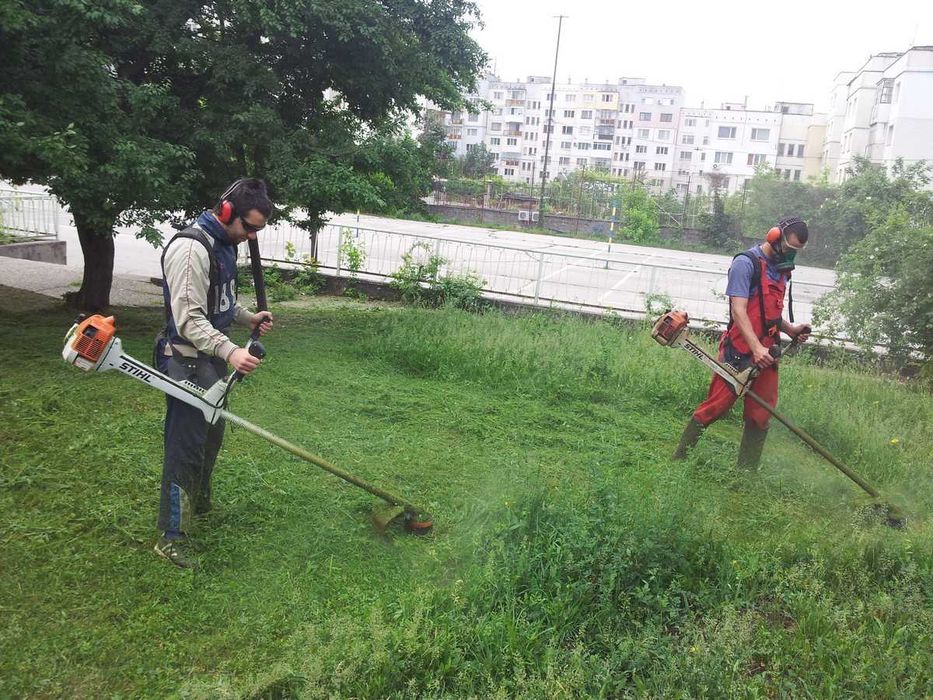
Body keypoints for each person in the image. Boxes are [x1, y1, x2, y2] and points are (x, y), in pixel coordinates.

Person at [153, 178, 274, 568]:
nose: (252, 236)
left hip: (209, 361)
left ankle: (198, 503)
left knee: (211, 437)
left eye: (258, 230)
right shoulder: (191, 249)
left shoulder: (225, 244)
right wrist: (232, 350)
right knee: (186, 445)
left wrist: (247, 317)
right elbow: (189, 320)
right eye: (249, 227)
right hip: (184, 358)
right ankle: (171, 537)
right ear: (226, 211)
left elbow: (220, 301)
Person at [672, 216, 812, 469]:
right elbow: (739, 310)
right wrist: (755, 348)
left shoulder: (782, 271)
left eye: (797, 251)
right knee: (716, 406)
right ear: (774, 236)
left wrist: (790, 329)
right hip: (740, 350)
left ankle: (745, 473)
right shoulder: (745, 264)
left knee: (761, 415)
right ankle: (679, 458)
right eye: (789, 248)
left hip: (768, 352)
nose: (791, 255)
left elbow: (769, 313)